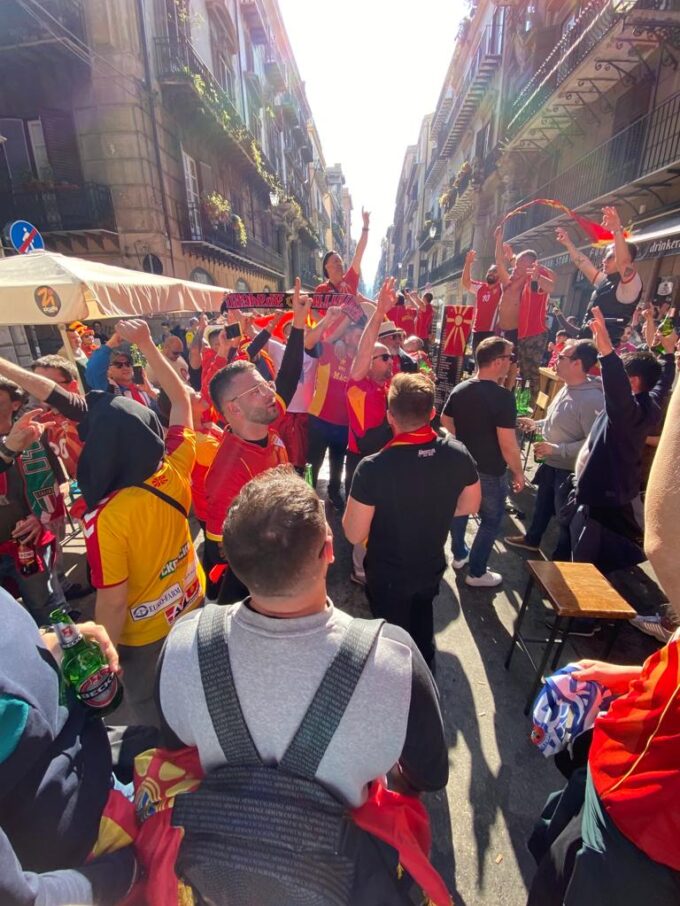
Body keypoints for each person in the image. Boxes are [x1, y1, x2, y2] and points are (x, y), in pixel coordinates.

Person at [157, 465, 448, 813]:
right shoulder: (393, 658)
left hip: (224, 831)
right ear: (329, 550)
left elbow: (177, 749)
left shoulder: (183, 645)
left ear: (233, 562)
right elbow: (428, 775)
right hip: (338, 840)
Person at [0, 321, 205, 726]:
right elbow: (180, 398)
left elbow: (112, 600)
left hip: (146, 634)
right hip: (192, 599)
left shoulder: (107, 518)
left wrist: (105, 657)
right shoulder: (175, 466)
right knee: (198, 682)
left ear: (100, 452)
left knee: (154, 709)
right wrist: (146, 343)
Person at [526, 377, 680, 906]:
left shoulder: (623, 403)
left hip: (642, 831)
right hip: (622, 789)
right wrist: (639, 675)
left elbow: (667, 543)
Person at [0, 590, 137, 906]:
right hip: (81, 868)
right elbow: (17, 897)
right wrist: (122, 875)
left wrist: (50, 644)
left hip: (103, 783)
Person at [343, 373, 480, 668]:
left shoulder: (373, 467)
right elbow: (470, 505)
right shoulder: (457, 453)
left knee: (389, 641)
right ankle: (424, 677)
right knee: (422, 624)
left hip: (387, 572)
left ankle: (398, 682)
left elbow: (354, 533)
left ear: (389, 416)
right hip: (430, 564)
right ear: (432, 414)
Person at [203, 280, 309, 601]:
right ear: (234, 408)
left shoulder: (263, 419)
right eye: (257, 390)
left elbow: (288, 378)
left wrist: (299, 323)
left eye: (265, 384)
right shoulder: (226, 475)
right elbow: (219, 554)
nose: (269, 392)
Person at [570, 306, 676, 573]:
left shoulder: (626, 413)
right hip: (614, 492)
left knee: (583, 568)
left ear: (634, 381)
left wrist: (607, 354)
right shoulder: (650, 403)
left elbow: (616, 386)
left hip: (600, 500)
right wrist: (669, 355)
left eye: (625, 377)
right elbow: (664, 381)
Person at [504, 339, 602, 559]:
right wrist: (536, 424)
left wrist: (556, 449)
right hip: (551, 463)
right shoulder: (566, 386)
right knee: (542, 506)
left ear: (577, 363)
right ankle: (532, 540)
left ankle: (560, 563)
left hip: (568, 471)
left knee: (566, 520)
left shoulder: (592, 399)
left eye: (562, 357)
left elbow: (593, 442)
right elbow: (554, 421)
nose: (556, 360)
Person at [442, 337, 525, 587]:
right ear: (498, 361)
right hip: (490, 470)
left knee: (460, 511)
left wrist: (465, 438)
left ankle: (460, 555)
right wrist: (518, 472)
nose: (512, 363)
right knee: (491, 520)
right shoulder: (503, 397)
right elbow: (508, 444)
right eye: (510, 357)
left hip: (461, 465)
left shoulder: (461, 388)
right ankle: (477, 572)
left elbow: (445, 419)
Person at [0, 384, 67, 624]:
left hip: (27, 543)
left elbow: (56, 483)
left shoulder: (33, 437)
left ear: (15, 404)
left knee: (46, 608)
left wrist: (40, 517)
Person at [555, 206, 643, 346]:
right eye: (605, 257)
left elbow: (623, 262)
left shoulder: (630, 285)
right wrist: (568, 244)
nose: (604, 260)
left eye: (610, 257)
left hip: (602, 349)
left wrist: (617, 230)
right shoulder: (605, 280)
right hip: (587, 343)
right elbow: (583, 264)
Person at [306, 310, 362, 510]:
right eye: (357, 335)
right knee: (312, 462)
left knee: (338, 462)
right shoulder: (331, 350)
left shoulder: (362, 361)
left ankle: (334, 492)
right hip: (319, 419)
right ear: (346, 337)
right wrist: (347, 317)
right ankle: (306, 494)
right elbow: (316, 342)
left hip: (344, 423)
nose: (360, 339)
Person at [495, 226, 554, 401]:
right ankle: (516, 402)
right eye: (516, 263)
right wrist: (499, 241)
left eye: (520, 264)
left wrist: (537, 277)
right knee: (518, 371)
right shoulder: (513, 281)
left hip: (532, 333)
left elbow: (551, 286)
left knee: (529, 373)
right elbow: (503, 263)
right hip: (515, 332)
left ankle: (530, 407)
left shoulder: (535, 278)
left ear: (531, 266)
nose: (515, 266)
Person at [85, 333, 155, 406]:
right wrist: (110, 344)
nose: (125, 367)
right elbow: (93, 371)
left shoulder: (144, 386)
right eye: (118, 365)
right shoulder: (108, 391)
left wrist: (150, 392)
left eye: (128, 363)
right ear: (108, 372)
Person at [316, 208, 370, 295]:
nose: (339, 264)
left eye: (340, 262)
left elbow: (359, 254)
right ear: (327, 267)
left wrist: (366, 226)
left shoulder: (350, 279)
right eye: (335, 261)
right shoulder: (320, 290)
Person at [462, 249, 502, 352]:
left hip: (492, 332)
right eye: (489, 271)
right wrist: (468, 263)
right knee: (477, 359)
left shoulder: (501, 288)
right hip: (476, 331)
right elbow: (466, 282)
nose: (491, 273)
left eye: (495, 271)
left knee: (488, 360)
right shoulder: (480, 287)